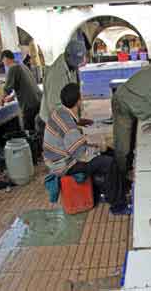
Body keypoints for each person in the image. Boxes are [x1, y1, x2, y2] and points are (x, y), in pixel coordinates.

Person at [43, 83, 130, 214]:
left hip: (58, 158)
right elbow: (81, 154)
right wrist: (99, 147)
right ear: (78, 101)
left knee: (110, 153)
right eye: (81, 97)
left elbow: (71, 130)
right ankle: (117, 205)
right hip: (64, 165)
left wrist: (82, 124)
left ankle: (116, 189)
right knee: (108, 162)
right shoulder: (69, 127)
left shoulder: (59, 111)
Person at [39, 40, 87, 130]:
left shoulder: (71, 66)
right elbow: (55, 107)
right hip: (51, 123)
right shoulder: (56, 74)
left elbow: (73, 96)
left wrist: (77, 119)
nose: (77, 65)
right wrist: (71, 127)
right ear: (67, 55)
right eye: (75, 62)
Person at [0, 49, 42, 131]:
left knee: (29, 131)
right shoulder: (22, 66)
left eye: (3, 61)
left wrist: (1, 99)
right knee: (37, 130)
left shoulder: (12, 68)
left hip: (29, 104)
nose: (4, 64)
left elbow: (7, 88)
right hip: (38, 100)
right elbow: (23, 83)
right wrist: (13, 96)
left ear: (5, 58)